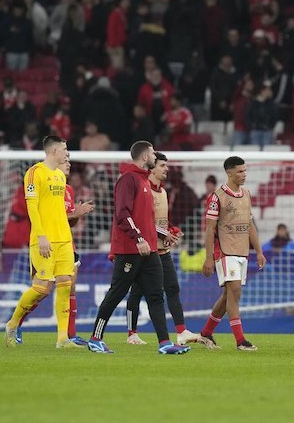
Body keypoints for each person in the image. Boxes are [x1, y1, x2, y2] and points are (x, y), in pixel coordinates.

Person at [87, 141, 189, 355]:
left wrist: (159, 236)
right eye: (152, 153)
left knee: (155, 295)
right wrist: (139, 237)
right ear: (145, 157)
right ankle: (95, 338)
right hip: (130, 249)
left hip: (150, 249)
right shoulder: (128, 180)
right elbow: (123, 214)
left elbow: (145, 218)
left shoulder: (143, 181)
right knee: (117, 293)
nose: (155, 156)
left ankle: (164, 343)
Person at [14, 154, 94, 346]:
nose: (68, 165)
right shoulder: (41, 180)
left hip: (66, 242)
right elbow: (48, 215)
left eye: (70, 162)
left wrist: (76, 215)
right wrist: (75, 213)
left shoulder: (67, 190)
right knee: (43, 289)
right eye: (65, 161)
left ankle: (69, 335)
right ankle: (16, 324)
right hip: (46, 242)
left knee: (69, 286)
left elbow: (68, 221)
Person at [4, 136, 76, 349]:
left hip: (64, 239)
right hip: (43, 239)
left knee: (65, 284)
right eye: (64, 149)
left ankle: (63, 339)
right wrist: (41, 235)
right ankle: (12, 323)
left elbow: (57, 210)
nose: (67, 153)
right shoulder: (35, 173)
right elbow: (32, 207)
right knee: (42, 288)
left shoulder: (60, 177)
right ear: (53, 151)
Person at [125, 152, 203, 346]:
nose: (166, 169)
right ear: (151, 168)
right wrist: (163, 232)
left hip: (161, 249)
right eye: (162, 165)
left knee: (173, 288)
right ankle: (131, 333)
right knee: (137, 292)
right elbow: (143, 221)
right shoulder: (144, 190)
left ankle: (181, 331)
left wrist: (171, 231)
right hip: (144, 251)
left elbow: (160, 221)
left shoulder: (164, 192)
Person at [200, 156, 267, 351]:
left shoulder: (246, 194)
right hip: (225, 250)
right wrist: (208, 257)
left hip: (242, 251)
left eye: (245, 171)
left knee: (228, 295)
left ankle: (206, 334)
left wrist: (259, 251)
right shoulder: (217, 196)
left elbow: (250, 225)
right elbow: (210, 229)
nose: (244, 174)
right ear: (229, 172)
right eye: (239, 171)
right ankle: (240, 341)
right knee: (235, 291)